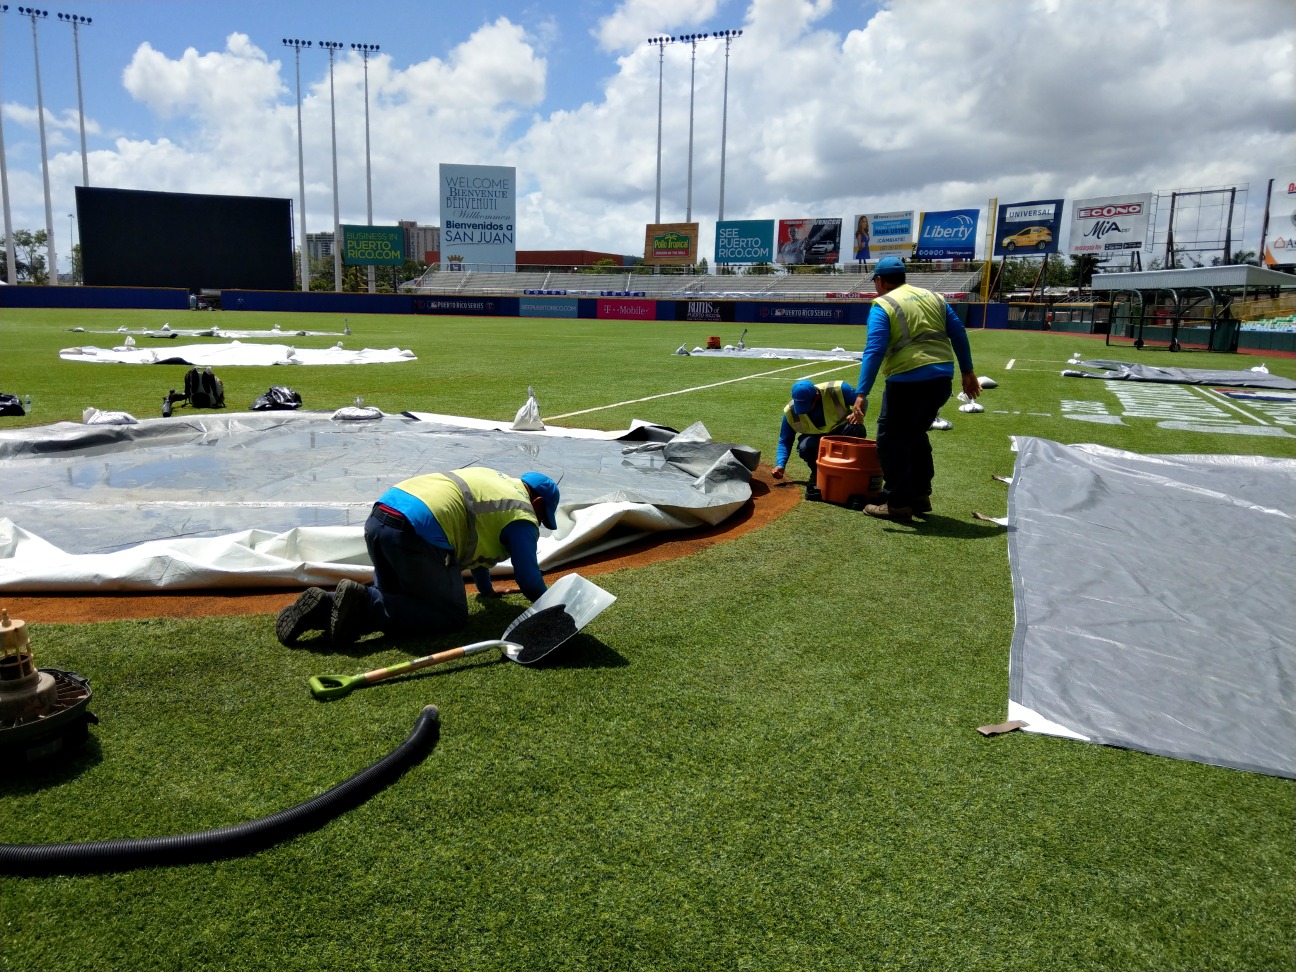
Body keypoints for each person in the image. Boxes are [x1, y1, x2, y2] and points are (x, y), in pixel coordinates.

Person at [276, 467, 560, 646]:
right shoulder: (522, 513)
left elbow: (477, 546)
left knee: (399, 594)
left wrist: (487, 590)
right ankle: (366, 602)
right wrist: (557, 610)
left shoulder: (495, 479)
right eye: (542, 517)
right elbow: (528, 578)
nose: (538, 523)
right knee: (449, 614)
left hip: (381, 517)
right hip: (416, 534)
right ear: (537, 502)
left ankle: (327, 604)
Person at [849, 255, 980, 521]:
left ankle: (897, 503)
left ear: (880, 280)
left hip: (906, 382)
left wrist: (862, 393)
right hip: (941, 379)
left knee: (890, 440)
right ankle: (920, 495)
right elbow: (958, 332)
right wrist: (968, 371)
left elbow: (874, 350)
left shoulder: (883, 304)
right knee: (916, 434)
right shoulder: (934, 297)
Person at [771, 378, 863, 500]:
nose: (804, 410)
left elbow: (861, 402)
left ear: (817, 396)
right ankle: (818, 474)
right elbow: (785, 440)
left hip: (842, 430)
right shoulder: (791, 412)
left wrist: (858, 414)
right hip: (817, 439)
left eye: (807, 405)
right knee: (805, 447)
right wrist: (780, 464)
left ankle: (853, 474)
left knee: (856, 429)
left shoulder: (838, 389)